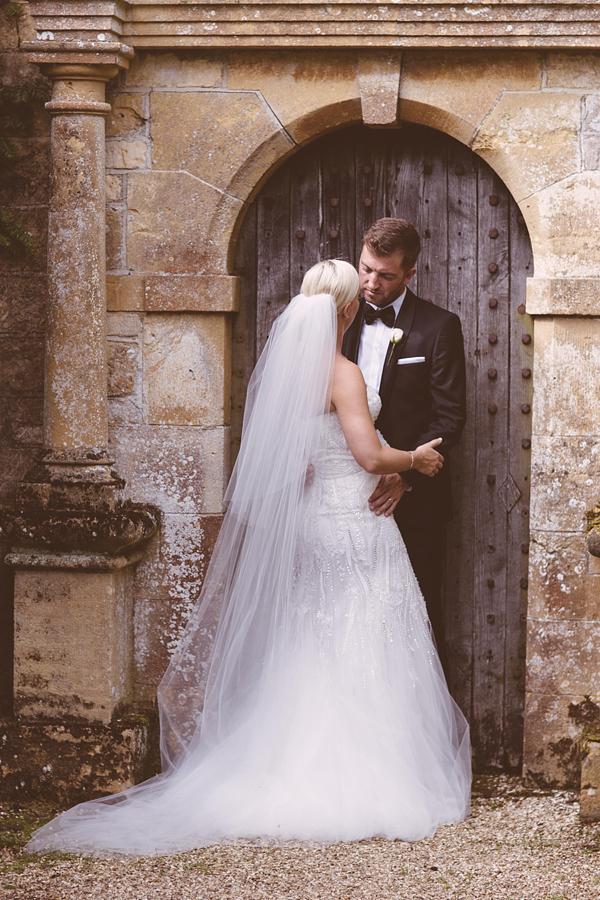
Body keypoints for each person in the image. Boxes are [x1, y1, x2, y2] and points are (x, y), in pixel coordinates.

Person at [27, 260, 470, 857]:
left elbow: (286, 456)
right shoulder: (342, 374)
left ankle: (286, 765)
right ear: (344, 310)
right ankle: (372, 776)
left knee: (314, 638)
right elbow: (366, 456)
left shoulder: (290, 376)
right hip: (355, 522)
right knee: (370, 632)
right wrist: (413, 461)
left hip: (313, 522)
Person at [343, 219, 467, 667]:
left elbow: (449, 416)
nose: (371, 284)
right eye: (365, 269)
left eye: (386, 275)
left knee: (415, 611)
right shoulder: (337, 317)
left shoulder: (439, 327)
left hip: (414, 501)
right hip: (342, 494)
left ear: (410, 274)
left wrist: (405, 471)